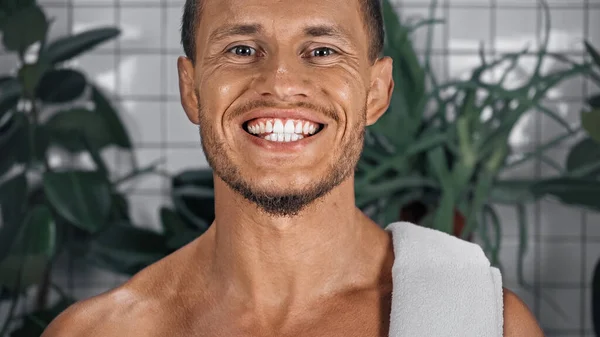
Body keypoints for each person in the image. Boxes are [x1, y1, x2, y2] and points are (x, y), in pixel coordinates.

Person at [42, 0, 545, 335]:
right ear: (191, 89)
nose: (281, 83)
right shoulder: (98, 332)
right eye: (241, 49)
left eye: (322, 51)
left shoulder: (482, 322)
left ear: (376, 92)